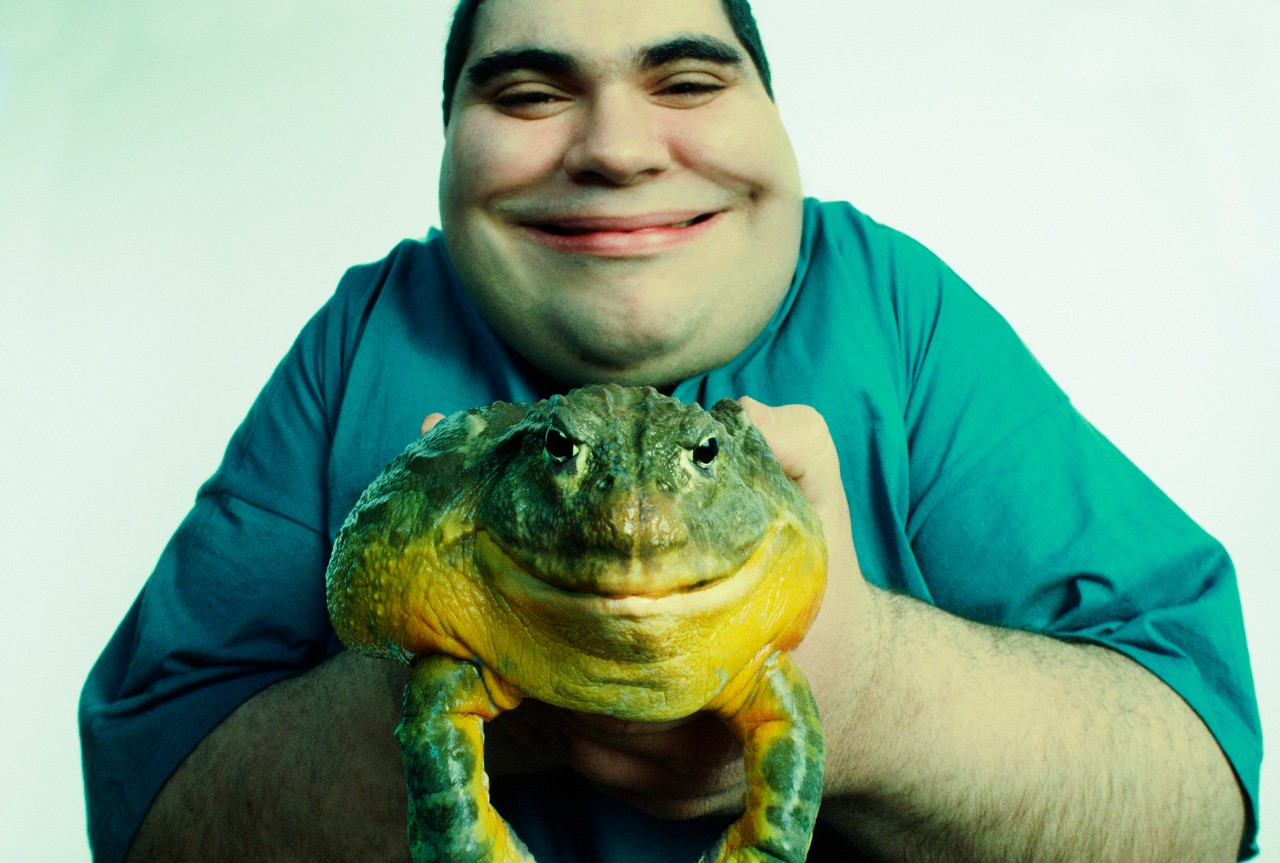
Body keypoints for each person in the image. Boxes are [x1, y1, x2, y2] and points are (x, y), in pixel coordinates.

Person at [81, 0, 1262, 860]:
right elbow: (143, 805)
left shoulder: (895, 308)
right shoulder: (369, 330)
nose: (616, 148)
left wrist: (864, 692)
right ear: (444, 133)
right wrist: (483, 669)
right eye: (529, 91)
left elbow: (1203, 789)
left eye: (687, 80)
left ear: (771, 115)